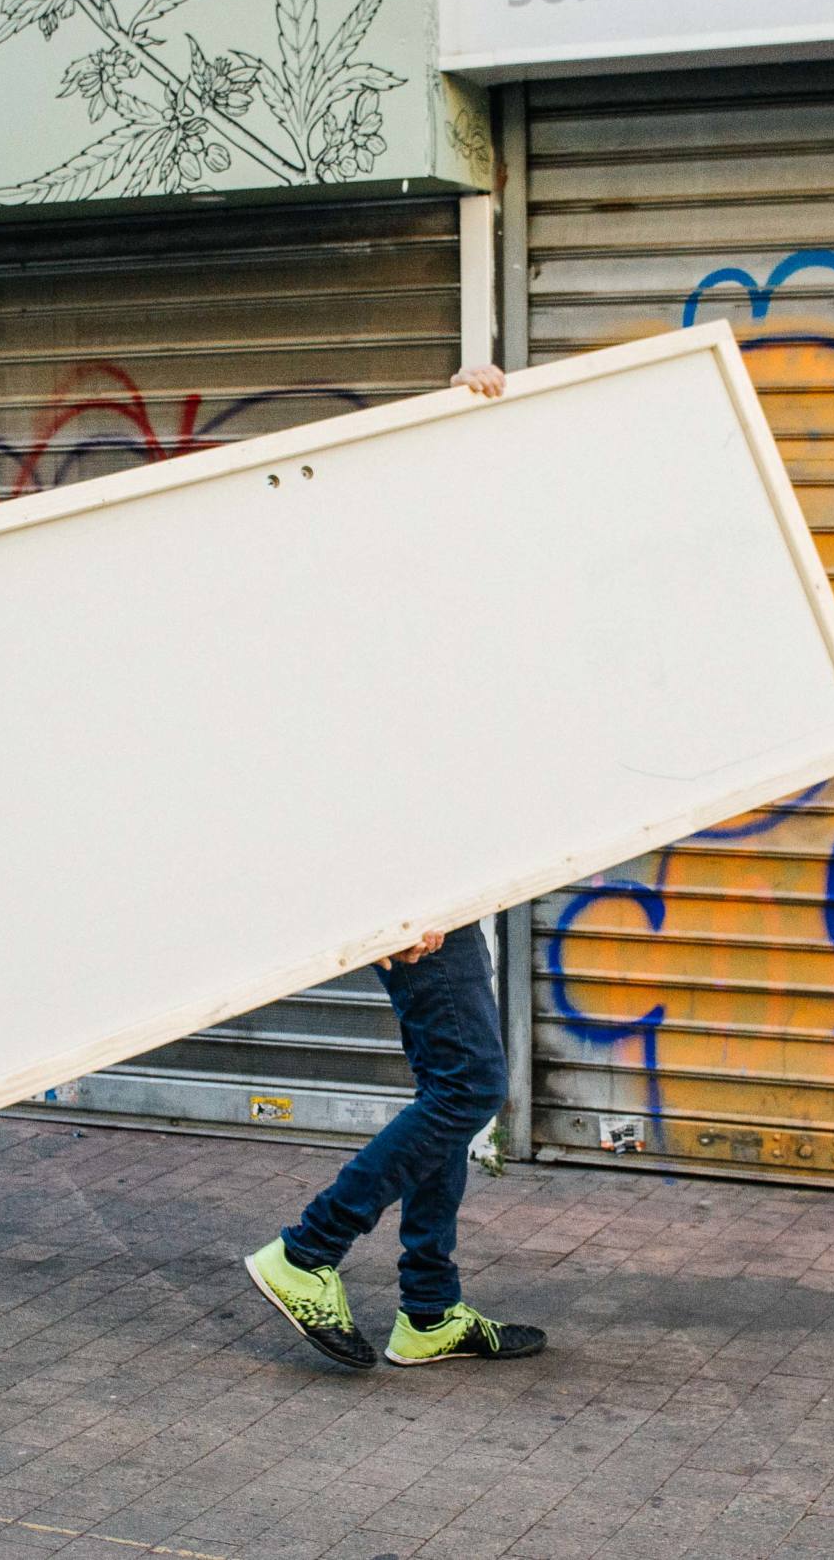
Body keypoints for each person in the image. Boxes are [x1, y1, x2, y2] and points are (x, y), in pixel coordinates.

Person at [243, 362, 548, 1372]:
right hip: (414, 875)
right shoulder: (365, 613)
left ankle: (429, 1309)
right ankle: (309, 1249)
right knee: (470, 1087)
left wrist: (476, 418)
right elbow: (359, 747)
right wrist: (402, 884)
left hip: (445, 866)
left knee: (449, 1081)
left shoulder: (423, 599)